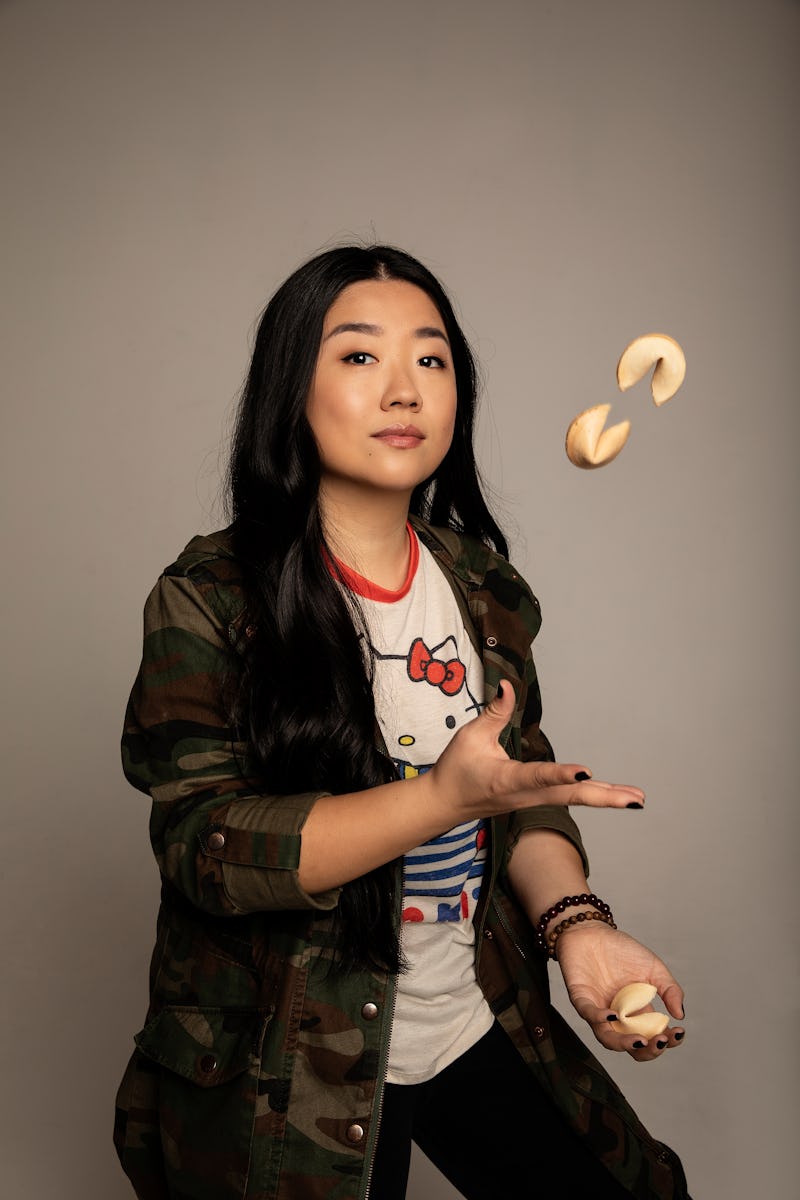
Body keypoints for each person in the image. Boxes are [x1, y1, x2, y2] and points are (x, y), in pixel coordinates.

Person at [113, 245, 690, 1200]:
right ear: (289, 389)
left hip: (475, 1014)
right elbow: (205, 847)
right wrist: (436, 799)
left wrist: (578, 926)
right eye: (357, 356)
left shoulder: (482, 586)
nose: (403, 390)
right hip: (291, 1063)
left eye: (431, 359)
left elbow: (520, 788)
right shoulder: (209, 598)